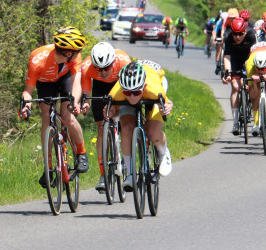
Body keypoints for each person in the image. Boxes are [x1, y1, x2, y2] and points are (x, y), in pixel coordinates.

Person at [19, 27, 90, 186]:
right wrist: (26, 107)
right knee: (46, 114)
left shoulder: (74, 58)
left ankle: (82, 152)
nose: (79, 53)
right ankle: (48, 168)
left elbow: (76, 82)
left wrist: (75, 102)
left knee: (67, 116)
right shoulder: (37, 60)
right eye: (76, 51)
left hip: (65, 78)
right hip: (45, 82)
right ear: (67, 52)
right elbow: (28, 91)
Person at [77, 42, 133, 193]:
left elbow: (128, 87)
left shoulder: (123, 61)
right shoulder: (87, 66)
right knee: (101, 130)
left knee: (125, 124)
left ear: (113, 62)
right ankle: (103, 175)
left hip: (120, 85)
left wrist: (116, 105)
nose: (102, 72)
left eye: (107, 68)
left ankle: (129, 168)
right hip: (99, 88)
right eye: (99, 69)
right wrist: (85, 104)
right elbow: (86, 93)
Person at [109, 61, 174, 189]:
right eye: (128, 93)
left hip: (156, 79)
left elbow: (168, 103)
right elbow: (112, 112)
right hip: (131, 87)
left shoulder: (154, 89)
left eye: (136, 93)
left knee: (152, 133)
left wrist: (166, 107)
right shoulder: (117, 92)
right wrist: (111, 112)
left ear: (143, 87)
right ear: (123, 89)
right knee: (127, 128)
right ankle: (130, 173)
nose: (132, 97)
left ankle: (163, 152)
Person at [221, 16, 258, 134]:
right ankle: (235, 122)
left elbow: (255, 53)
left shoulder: (252, 35)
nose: (237, 37)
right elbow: (227, 57)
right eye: (235, 34)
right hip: (236, 61)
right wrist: (227, 72)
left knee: (249, 85)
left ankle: (255, 115)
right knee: (236, 87)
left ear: (245, 31)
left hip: (249, 59)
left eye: (240, 34)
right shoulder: (228, 37)